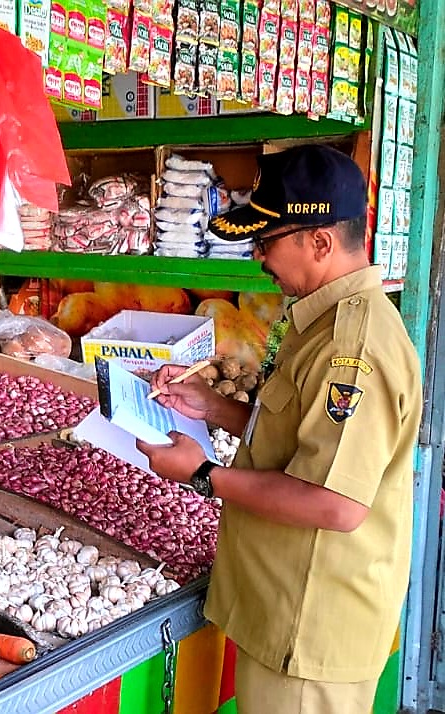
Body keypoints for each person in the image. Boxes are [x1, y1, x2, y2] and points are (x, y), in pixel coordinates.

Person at [136, 144, 422, 713]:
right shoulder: (319, 319)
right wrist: (214, 408)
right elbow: (301, 437)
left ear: (318, 241)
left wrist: (203, 474)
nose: (258, 258)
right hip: (288, 608)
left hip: (311, 626)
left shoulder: (352, 348)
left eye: (266, 243)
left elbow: (336, 504)